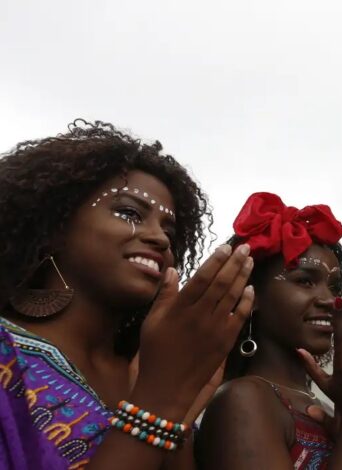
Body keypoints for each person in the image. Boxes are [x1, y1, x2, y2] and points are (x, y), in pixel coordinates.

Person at [0, 120, 253, 469]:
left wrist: (175, 417)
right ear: (54, 226)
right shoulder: (5, 354)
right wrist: (159, 401)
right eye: (129, 213)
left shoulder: (151, 369)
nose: (160, 239)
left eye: (169, 230)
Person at [195, 192, 342, 469]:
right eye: (305, 281)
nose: (329, 299)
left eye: (334, 287)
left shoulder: (332, 410)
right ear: (251, 295)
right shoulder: (242, 399)